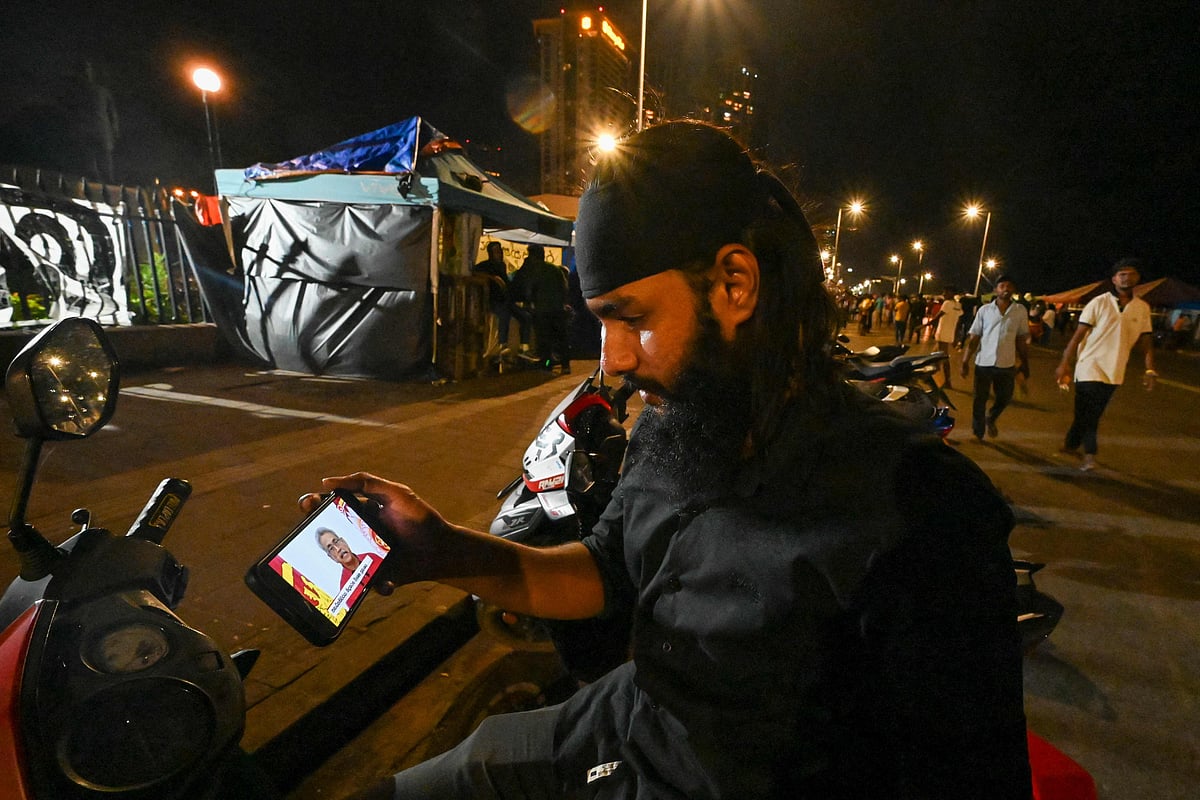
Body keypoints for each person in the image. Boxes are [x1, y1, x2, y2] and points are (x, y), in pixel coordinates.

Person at [315, 121, 1030, 800]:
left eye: (634, 319)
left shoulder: (923, 510)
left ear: (734, 284)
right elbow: (606, 569)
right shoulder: (674, 429)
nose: (615, 362)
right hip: (619, 729)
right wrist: (442, 551)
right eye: (601, 323)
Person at [1055, 258, 1156, 471]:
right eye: (1122, 274)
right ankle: (1090, 455)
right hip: (1089, 366)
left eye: (1131, 274)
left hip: (1115, 370)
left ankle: (1071, 444)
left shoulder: (1142, 308)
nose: (1127, 278)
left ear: (1137, 278)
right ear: (1114, 279)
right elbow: (1077, 336)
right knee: (1091, 415)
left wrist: (1150, 369)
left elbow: (1146, 343)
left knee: (1087, 413)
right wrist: (1065, 363)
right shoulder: (1098, 303)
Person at [961, 275, 1030, 440]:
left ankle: (991, 418)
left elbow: (1021, 339)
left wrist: (1025, 363)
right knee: (979, 399)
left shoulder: (1020, 311)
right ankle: (978, 432)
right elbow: (974, 337)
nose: (1006, 289)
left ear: (1013, 290)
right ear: (996, 289)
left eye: (1009, 286)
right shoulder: (984, 310)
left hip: (1006, 364)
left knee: (1005, 397)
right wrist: (965, 360)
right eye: (1002, 286)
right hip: (983, 362)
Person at [512, 244, 572, 373]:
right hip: (558, 309)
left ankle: (547, 364)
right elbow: (565, 288)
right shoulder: (554, 269)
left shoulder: (533, 270)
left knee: (545, 339)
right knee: (561, 338)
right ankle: (565, 365)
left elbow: (528, 289)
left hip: (543, 310)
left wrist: (529, 302)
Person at [472, 241, 531, 358]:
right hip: (494, 301)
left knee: (525, 316)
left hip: (506, 300)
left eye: (500, 251)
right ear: (491, 253)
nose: (499, 254)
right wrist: (493, 278)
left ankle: (524, 348)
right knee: (505, 314)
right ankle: (502, 344)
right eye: (496, 251)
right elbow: (473, 271)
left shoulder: (502, 265)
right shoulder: (486, 265)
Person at [928, 290, 964, 389]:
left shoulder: (947, 303)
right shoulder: (958, 305)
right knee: (934, 356)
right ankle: (932, 377)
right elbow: (958, 322)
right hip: (949, 334)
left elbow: (937, 317)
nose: (944, 294)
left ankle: (947, 382)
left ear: (951, 294)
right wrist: (956, 336)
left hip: (942, 334)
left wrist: (923, 326)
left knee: (942, 358)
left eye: (946, 292)